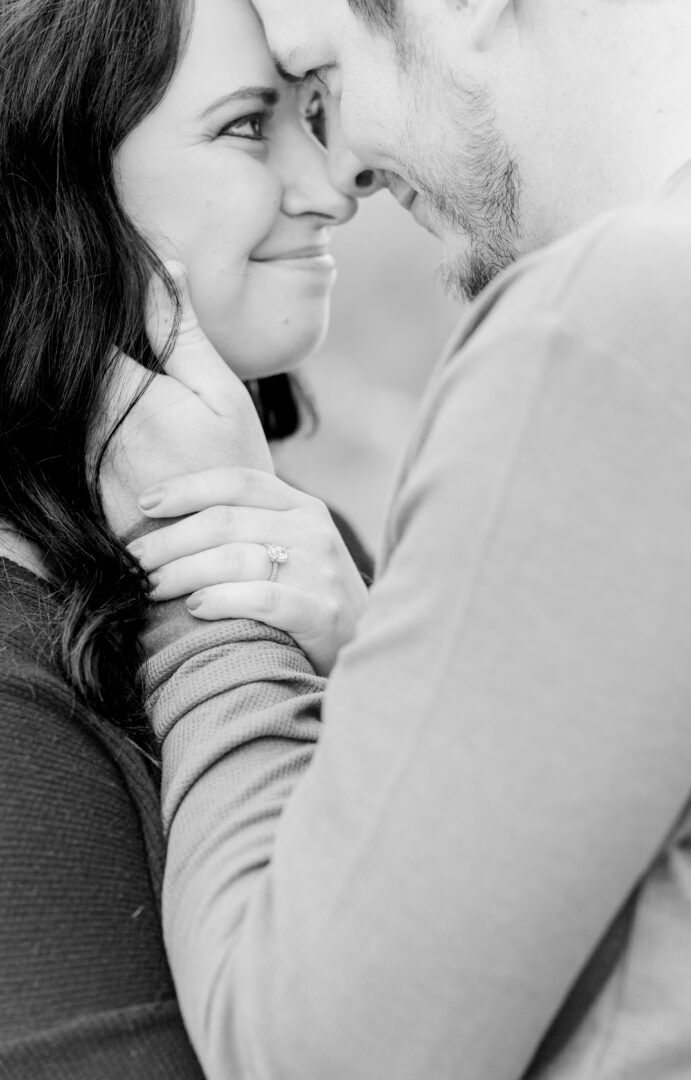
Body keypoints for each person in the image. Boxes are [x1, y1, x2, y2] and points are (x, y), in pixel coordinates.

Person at [103, 1, 691, 1078]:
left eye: (324, 81)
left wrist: (210, 562)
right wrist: (394, 657)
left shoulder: (608, 323)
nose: (342, 173)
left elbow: (315, 1058)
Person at [0, 0, 375, 1073]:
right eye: (250, 126)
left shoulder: (314, 546)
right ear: (57, 177)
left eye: (318, 115)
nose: (332, 185)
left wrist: (374, 655)